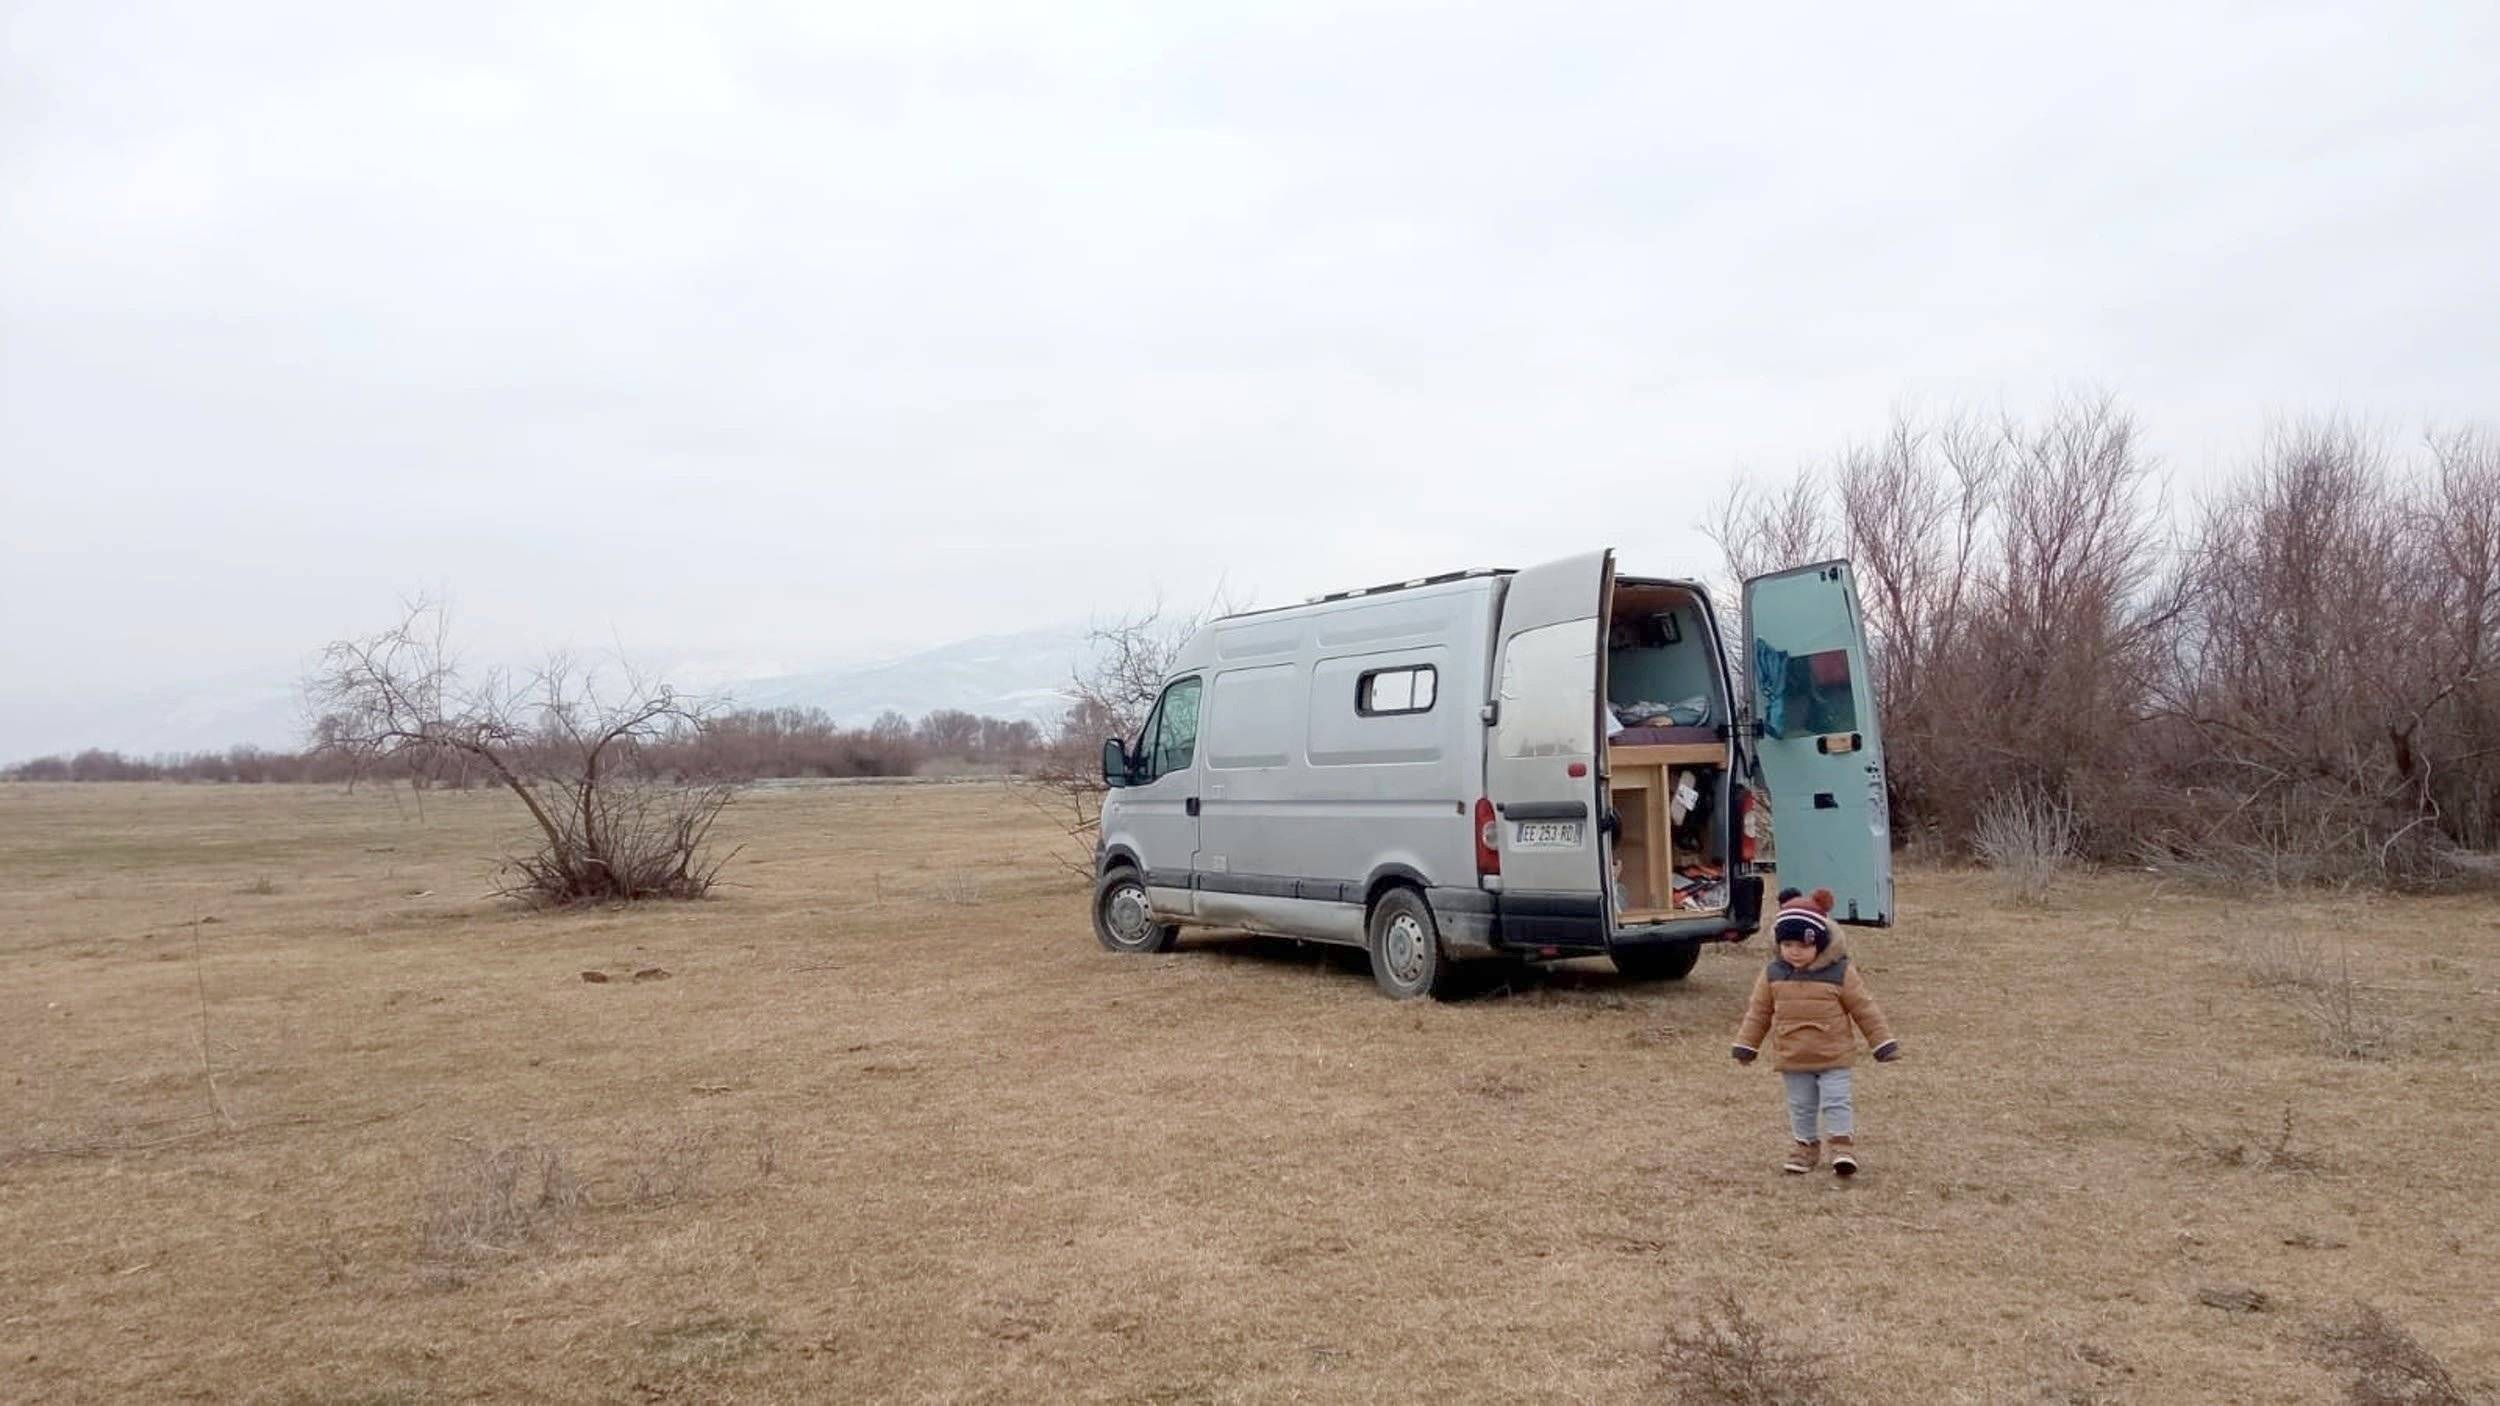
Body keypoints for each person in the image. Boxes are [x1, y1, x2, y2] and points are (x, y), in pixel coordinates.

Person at [1731, 887, 1900, 1176]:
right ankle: (1805, 1147)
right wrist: (1747, 1045)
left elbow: (1864, 1009)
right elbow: (1758, 1012)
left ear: (1820, 945)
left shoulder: (1840, 972)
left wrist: (1882, 1043)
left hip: (1834, 1055)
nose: (1794, 952)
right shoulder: (1772, 974)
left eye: (1803, 946)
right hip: (1793, 1055)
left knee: (1837, 1101)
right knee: (1801, 1105)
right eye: (1788, 945)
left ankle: (1842, 1146)